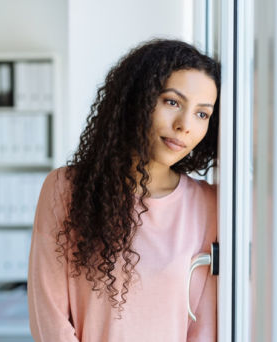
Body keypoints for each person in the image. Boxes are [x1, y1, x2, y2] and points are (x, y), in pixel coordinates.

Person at [27, 38, 220, 342]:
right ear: (137, 99)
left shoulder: (210, 204)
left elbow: (206, 327)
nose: (185, 124)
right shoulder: (65, 189)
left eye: (202, 114)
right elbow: (49, 318)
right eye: (172, 102)